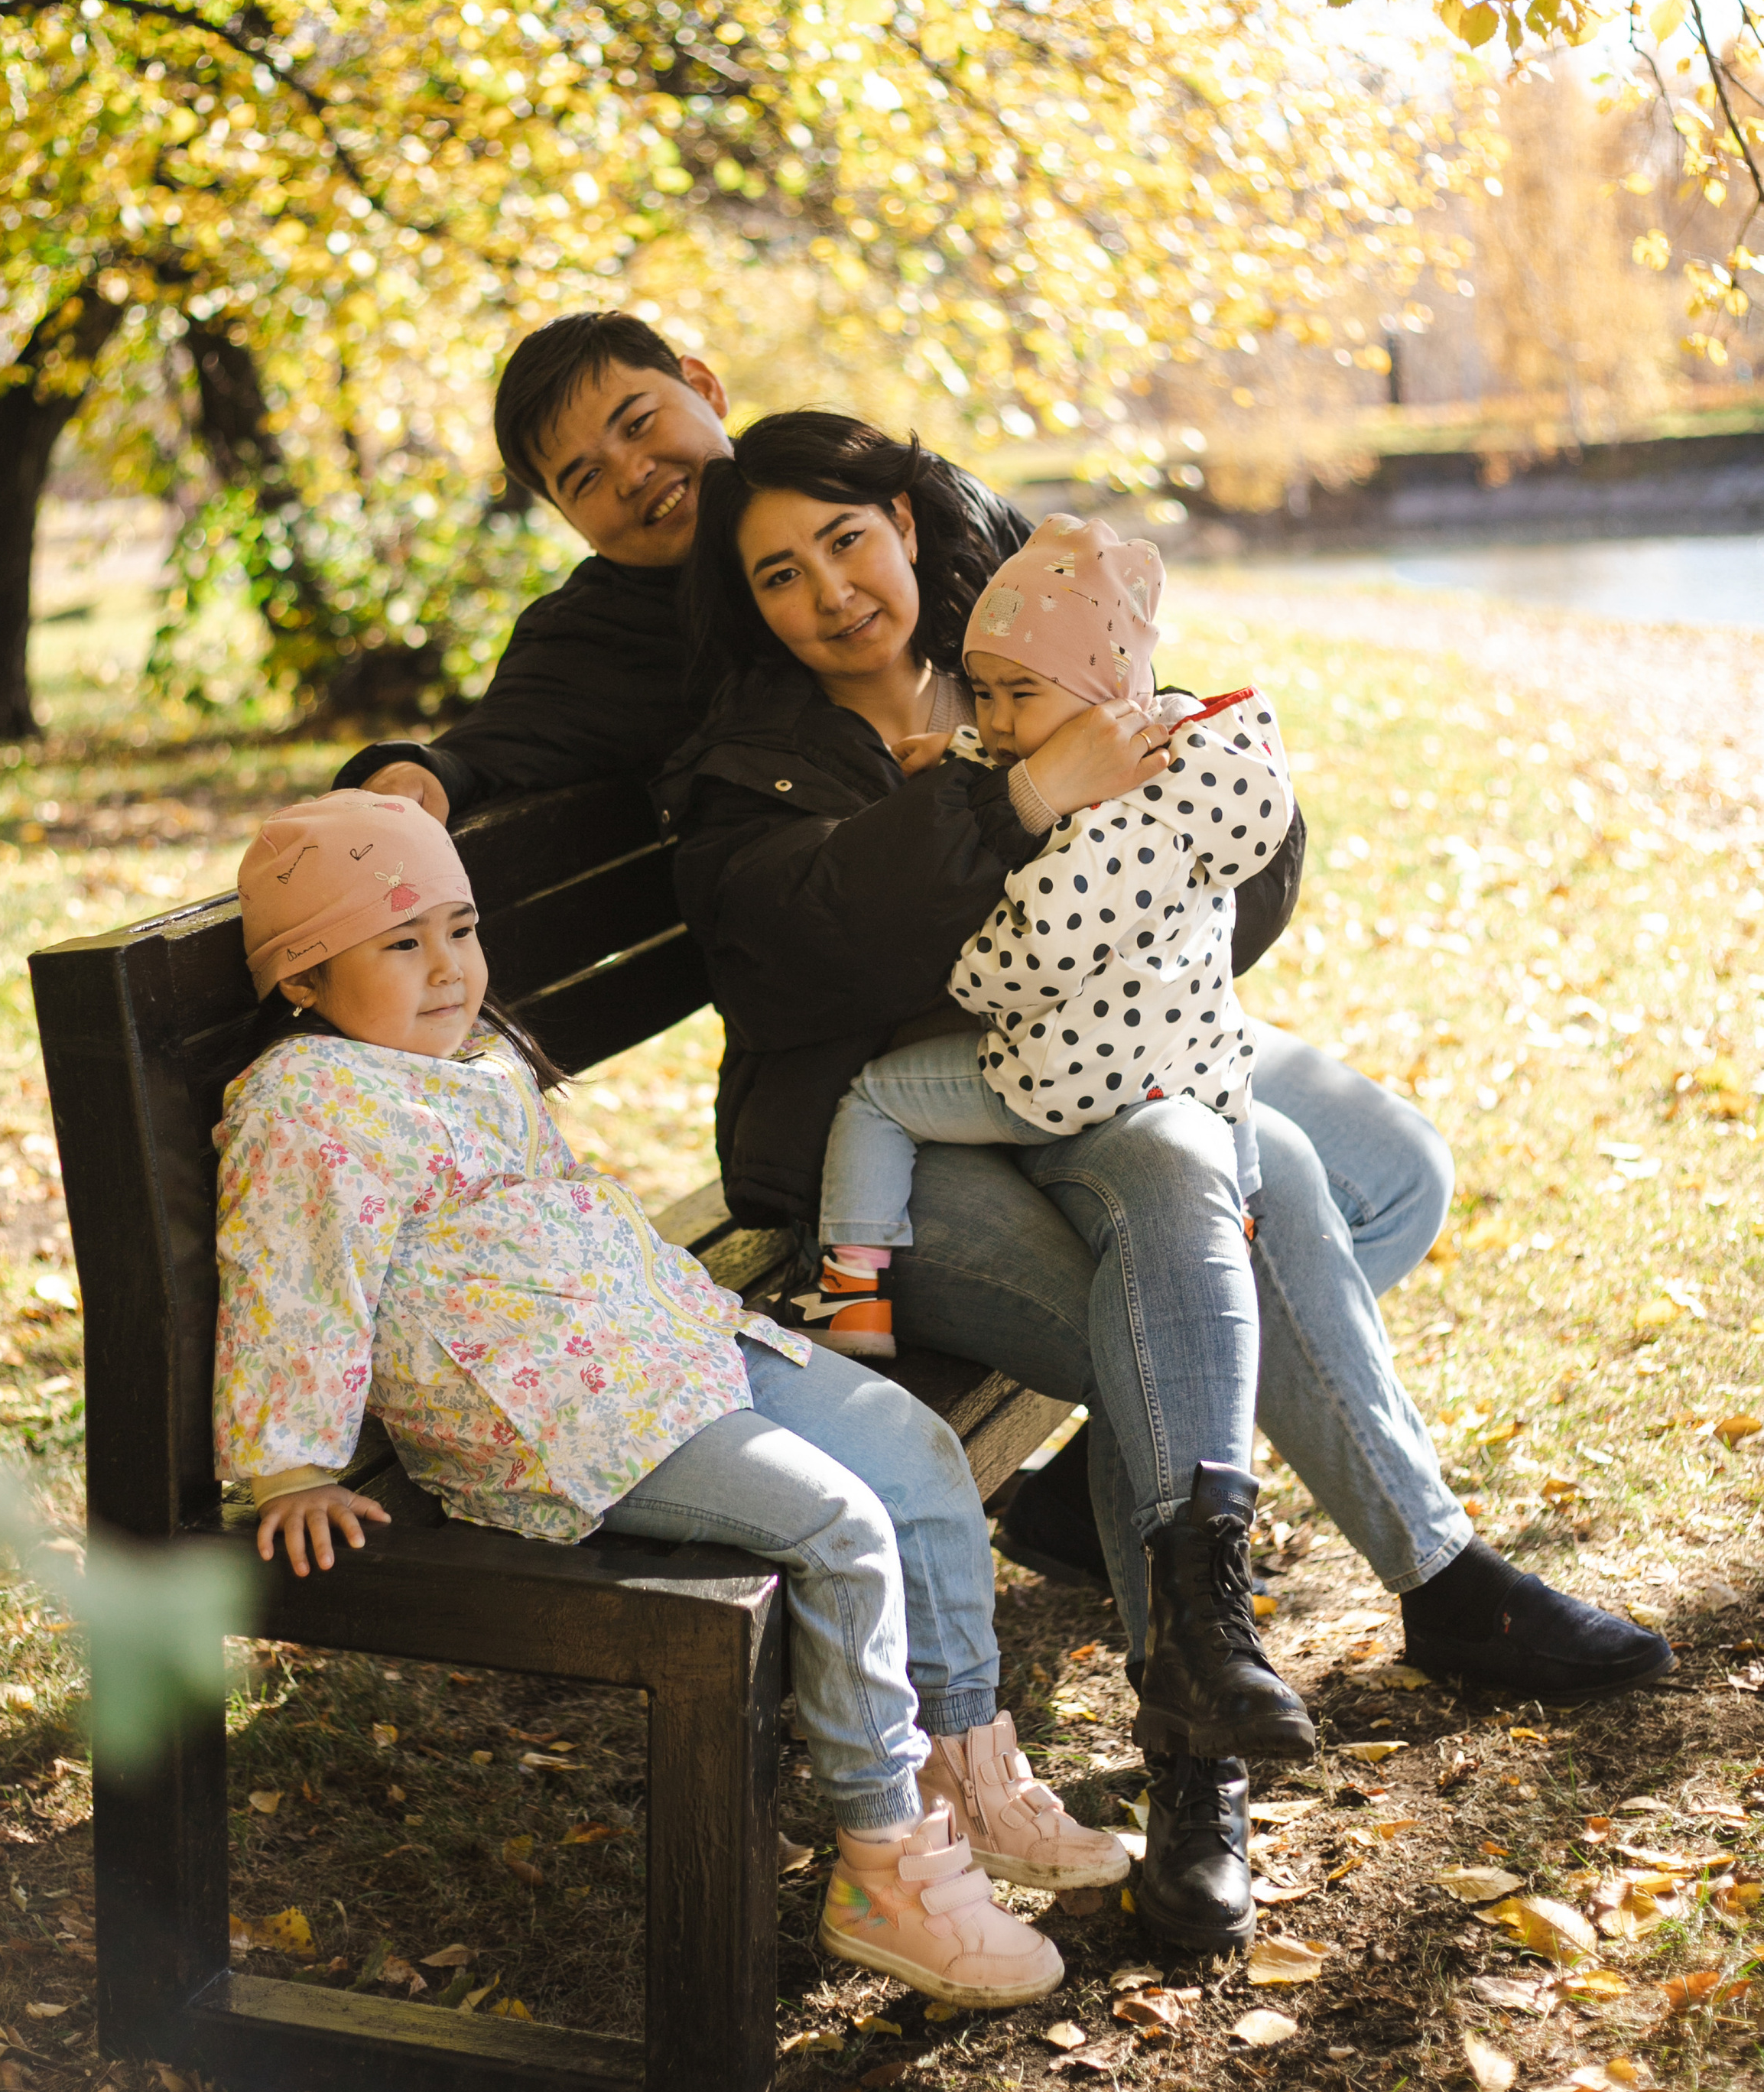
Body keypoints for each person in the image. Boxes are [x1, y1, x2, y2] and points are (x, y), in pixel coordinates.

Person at [658, 411, 1675, 1953]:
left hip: (1107, 1077)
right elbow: (802, 952)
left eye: (845, 541)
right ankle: (1276, 1707)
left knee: (1247, 1173)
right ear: (750, 605)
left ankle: (1231, 1631)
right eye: (778, 573)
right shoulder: (744, 768)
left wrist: (1156, 796)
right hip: (902, 1133)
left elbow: (1233, 863)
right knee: (1175, 1294)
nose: (827, 592)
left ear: (907, 524)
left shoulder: (1028, 643)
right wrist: (1010, 799)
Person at [333, 308, 1314, 1597]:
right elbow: (502, 744)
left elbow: (1125, 719)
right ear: (569, 521)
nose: (632, 474)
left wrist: (1172, 947)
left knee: (1366, 1181)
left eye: (639, 423)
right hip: (871, 1077)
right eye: (584, 478)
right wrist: (421, 773)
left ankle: (1099, 1503)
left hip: (1077, 1006)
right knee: (1210, 1278)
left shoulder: (923, 514)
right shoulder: (607, 651)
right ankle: (1267, 1643)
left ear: (702, 383)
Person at [213, 786, 1129, 2010]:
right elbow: (293, 1279)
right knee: (841, 1527)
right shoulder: (308, 1105)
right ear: (303, 979)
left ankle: (959, 1764)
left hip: (656, 1347)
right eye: (399, 942)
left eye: (461, 928)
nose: (447, 969)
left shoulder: (470, 1064)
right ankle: (880, 1867)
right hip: (551, 1418)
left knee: (915, 1452)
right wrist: (294, 1466)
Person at [807, 511, 1289, 1369]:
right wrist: (958, 748)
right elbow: (1031, 753)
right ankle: (1241, 1225)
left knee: (875, 1099)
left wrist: (962, 972)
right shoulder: (1182, 760)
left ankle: (850, 1291)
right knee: (1234, 1079)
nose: (993, 720)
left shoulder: (1108, 824)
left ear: (1106, 691)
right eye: (982, 693)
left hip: (1066, 1076)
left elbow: (1037, 959)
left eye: (1017, 695)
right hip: (1192, 1060)